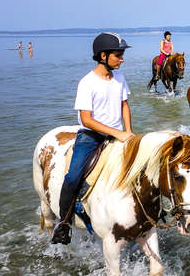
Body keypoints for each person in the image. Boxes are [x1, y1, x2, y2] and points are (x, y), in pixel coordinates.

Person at [51, 32, 134, 245]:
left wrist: (129, 132)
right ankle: (64, 223)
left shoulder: (120, 78)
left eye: (122, 54)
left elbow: (124, 105)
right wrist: (117, 133)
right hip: (91, 138)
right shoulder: (87, 83)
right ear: (103, 56)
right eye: (118, 55)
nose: (122, 59)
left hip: (118, 136)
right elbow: (86, 120)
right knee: (72, 177)